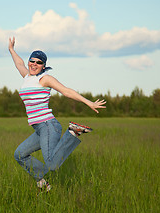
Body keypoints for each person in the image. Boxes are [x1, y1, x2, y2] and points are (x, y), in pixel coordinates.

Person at [9, 37, 106, 192]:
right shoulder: (27, 77)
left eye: (39, 62)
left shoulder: (44, 79)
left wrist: (89, 102)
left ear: (44, 66)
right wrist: (11, 49)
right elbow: (18, 63)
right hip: (39, 129)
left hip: (48, 125)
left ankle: (73, 133)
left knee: (52, 164)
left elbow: (66, 91)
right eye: (32, 61)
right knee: (20, 155)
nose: (34, 64)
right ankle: (43, 183)